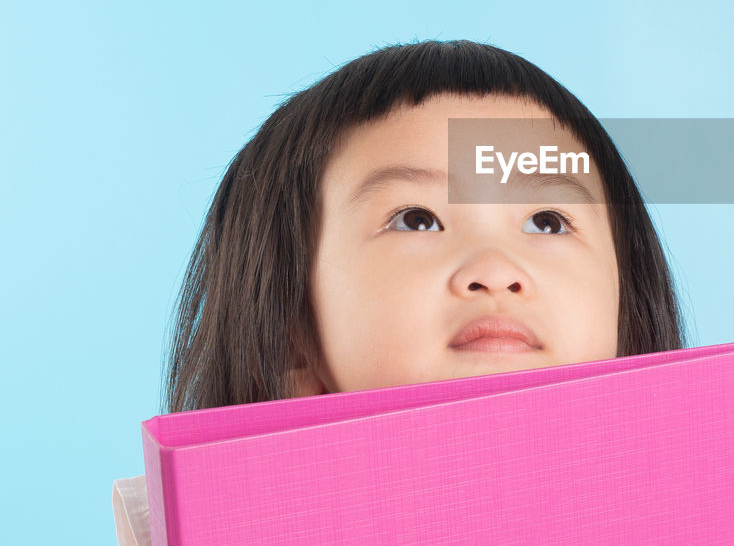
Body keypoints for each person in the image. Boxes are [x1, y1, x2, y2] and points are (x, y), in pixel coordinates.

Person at [112, 40, 688, 544]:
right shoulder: (204, 525)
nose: (494, 269)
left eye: (546, 221)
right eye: (417, 219)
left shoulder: (706, 500)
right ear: (294, 332)